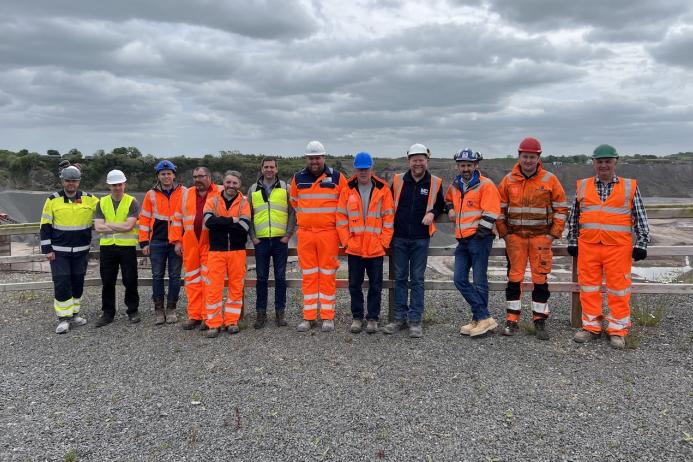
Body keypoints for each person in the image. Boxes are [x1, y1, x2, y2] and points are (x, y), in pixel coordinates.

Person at [567, 144, 650, 349]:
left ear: (615, 162)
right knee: (588, 289)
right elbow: (574, 217)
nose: (603, 165)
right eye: (599, 161)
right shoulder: (583, 186)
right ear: (593, 163)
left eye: (607, 161)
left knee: (619, 290)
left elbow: (640, 216)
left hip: (618, 249)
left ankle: (617, 330)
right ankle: (591, 328)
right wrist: (572, 240)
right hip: (589, 247)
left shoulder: (629, 186)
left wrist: (642, 242)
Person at [495, 137, 568, 340]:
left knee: (540, 280)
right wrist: (505, 234)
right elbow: (499, 209)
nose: (528, 160)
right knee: (514, 279)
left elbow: (561, 208)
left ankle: (539, 320)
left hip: (541, 240)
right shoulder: (508, 180)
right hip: (515, 239)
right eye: (525, 156)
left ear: (538, 158)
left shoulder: (550, 180)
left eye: (532, 157)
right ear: (519, 156)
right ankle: (512, 320)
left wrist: (553, 234)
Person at [383, 143, 445, 338]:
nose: (418, 163)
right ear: (409, 160)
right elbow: (387, 204)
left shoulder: (435, 182)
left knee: (417, 280)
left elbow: (441, 204)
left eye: (421, 160)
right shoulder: (398, 180)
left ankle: (415, 320)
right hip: (399, 237)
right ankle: (399, 318)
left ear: (427, 160)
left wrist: (433, 213)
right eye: (414, 160)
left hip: (420, 238)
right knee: (400, 278)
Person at [290, 141, 347, 333]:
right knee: (309, 275)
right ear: (307, 158)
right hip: (305, 234)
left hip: (328, 234)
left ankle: (328, 316)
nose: (314, 161)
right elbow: (295, 202)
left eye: (318, 157)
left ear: (324, 157)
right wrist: (308, 219)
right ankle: (309, 317)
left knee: (328, 275)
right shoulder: (297, 178)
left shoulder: (338, 178)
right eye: (311, 158)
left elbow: (345, 203)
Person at [336, 152, 394, 334]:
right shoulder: (347, 188)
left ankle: (373, 318)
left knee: (376, 286)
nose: (363, 172)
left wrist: (383, 242)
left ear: (371, 169)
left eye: (366, 168)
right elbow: (341, 217)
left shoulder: (383, 188)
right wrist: (346, 241)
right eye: (360, 168)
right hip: (354, 248)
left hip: (376, 248)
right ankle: (357, 317)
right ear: (355, 168)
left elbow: (388, 218)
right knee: (354, 285)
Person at [445, 149, 501, 337]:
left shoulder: (486, 185)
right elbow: (447, 200)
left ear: (476, 165)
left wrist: (479, 236)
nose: (466, 168)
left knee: (479, 281)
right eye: (463, 165)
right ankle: (484, 317)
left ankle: (478, 320)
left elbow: (492, 212)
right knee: (459, 279)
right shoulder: (455, 185)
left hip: (479, 239)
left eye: (469, 165)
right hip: (462, 240)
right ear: (458, 166)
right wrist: (450, 208)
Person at [39, 166, 99, 334]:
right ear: (62, 181)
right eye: (68, 181)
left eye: (74, 181)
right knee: (62, 282)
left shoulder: (89, 199)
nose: (71, 184)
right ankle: (63, 319)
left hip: (81, 251)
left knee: (77, 283)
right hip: (59, 252)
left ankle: (74, 315)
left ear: (78, 182)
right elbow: (45, 226)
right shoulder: (53, 200)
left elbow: (105, 210)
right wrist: (47, 249)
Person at [170, 166, 222, 331]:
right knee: (192, 281)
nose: (197, 179)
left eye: (201, 176)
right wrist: (177, 241)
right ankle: (195, 316)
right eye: (195, 177)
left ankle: (209, 316)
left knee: (210, 281)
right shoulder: (186, 194)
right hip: (191, 243)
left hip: (211, 243)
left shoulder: (220, 191)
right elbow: (176, 219)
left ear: (209, 177)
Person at [248, 157, 296, 328]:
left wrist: (288, 235)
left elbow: (293, 213)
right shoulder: (253, 189)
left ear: (277, 169)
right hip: (260, 241)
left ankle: (279, 313)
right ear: (261, 169)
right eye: (266, 167)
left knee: (280, 278)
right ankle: (260, 314)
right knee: (261, 279)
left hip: (280, 240)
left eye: (272, 167)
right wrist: (253, 237)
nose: (269, 169)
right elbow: (248, 215)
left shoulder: (286, 188)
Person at [203, 171, 251, 337]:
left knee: (236, 287)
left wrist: (221, 221)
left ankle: (231, 321)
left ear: (239, 185)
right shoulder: (212, 200)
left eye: (235, 183)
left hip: (237, 251)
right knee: (213, 288)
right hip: (216, 251)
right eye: (228, 182)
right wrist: (232, 220)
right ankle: (214, 324)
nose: (231, 186)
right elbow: (209, 222)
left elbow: (244, 227)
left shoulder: (244, 202)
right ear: (223, 182)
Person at [138, 160, 185, 325]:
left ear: (174, 175)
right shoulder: (150, 194)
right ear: (158, 176)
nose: (166, 176)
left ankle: (172, 308)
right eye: (163, 174)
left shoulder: (184, 192)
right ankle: (159, 310)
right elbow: (144, 218)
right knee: (157, 276)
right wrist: (144, 242)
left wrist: (184, 241)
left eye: (169, 173)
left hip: (177, 242)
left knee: (175, 276)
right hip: (157, 241)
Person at [93, 169, 140, 326]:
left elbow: (129, 226)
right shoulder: (102, 202)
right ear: (109, 186)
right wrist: (119, 226)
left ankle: (132, 311)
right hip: (107, 248)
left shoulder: (132, 201)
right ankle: (108, 313)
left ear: (124, 184)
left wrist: (108, 224)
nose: (117, 187)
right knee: (107, 281)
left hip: (127, 247)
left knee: (130, 280)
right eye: (114, 185)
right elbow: (98, 227)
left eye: (119, 184)